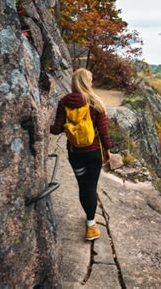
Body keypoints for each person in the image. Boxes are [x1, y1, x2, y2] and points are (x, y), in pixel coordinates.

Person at [50, 68, 113, 241]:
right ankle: (91, 225)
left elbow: (56, 130)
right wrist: (108, 149)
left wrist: (46, 126)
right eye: (90, 80)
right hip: (93, 153)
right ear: (87, 82)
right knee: (91, 186)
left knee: (82, 185)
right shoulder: (95, 102)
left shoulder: (64, 102)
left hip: (75, 153)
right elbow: (103, 130)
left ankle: (89, 216)